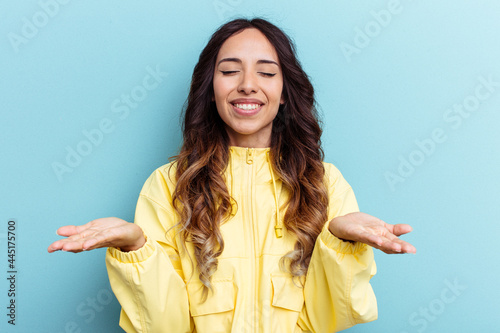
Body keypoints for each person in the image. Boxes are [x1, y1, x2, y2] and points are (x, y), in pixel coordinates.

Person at [48, 17, 416, 333]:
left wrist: (340, 242)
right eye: (229, 71)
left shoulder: (324, 183)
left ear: (285, 91)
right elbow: (166, 325)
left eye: (267, 72)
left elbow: (327, 318)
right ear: (210, 89)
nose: (247, 84)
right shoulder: (168, 184)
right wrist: (135, 248)